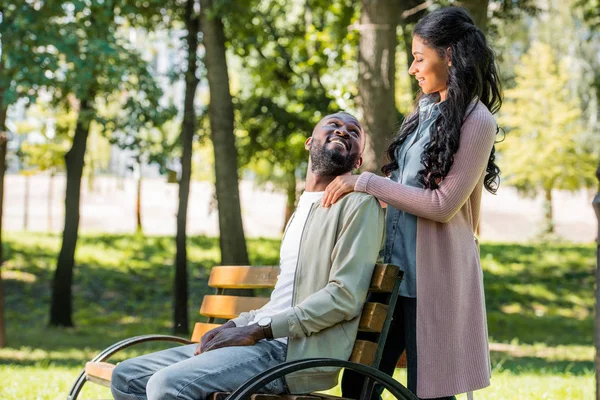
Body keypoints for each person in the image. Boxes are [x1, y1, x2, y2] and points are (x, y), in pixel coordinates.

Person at [110, 112, 385, 400]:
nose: (343, 132)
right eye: (334, 125)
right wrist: (236, 325)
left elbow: (344, 297)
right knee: (127, 377)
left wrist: (258, 330)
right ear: (308, 142)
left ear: (357, 163)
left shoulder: (359, 206)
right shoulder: (303, 208)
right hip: (262, 341)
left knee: (167, 385)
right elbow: (283, 298)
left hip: (291, 354)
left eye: (354, 133)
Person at [322, 7, 502, 400]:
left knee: (430, 393)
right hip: (391, 276)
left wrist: (366, 183)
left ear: (449, 55)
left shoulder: (478, 120)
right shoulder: (424, 112)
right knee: (358, 384)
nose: (411, 68)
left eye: (419, 57)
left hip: (433, 281)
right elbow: (407, 189)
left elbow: (442, 204)